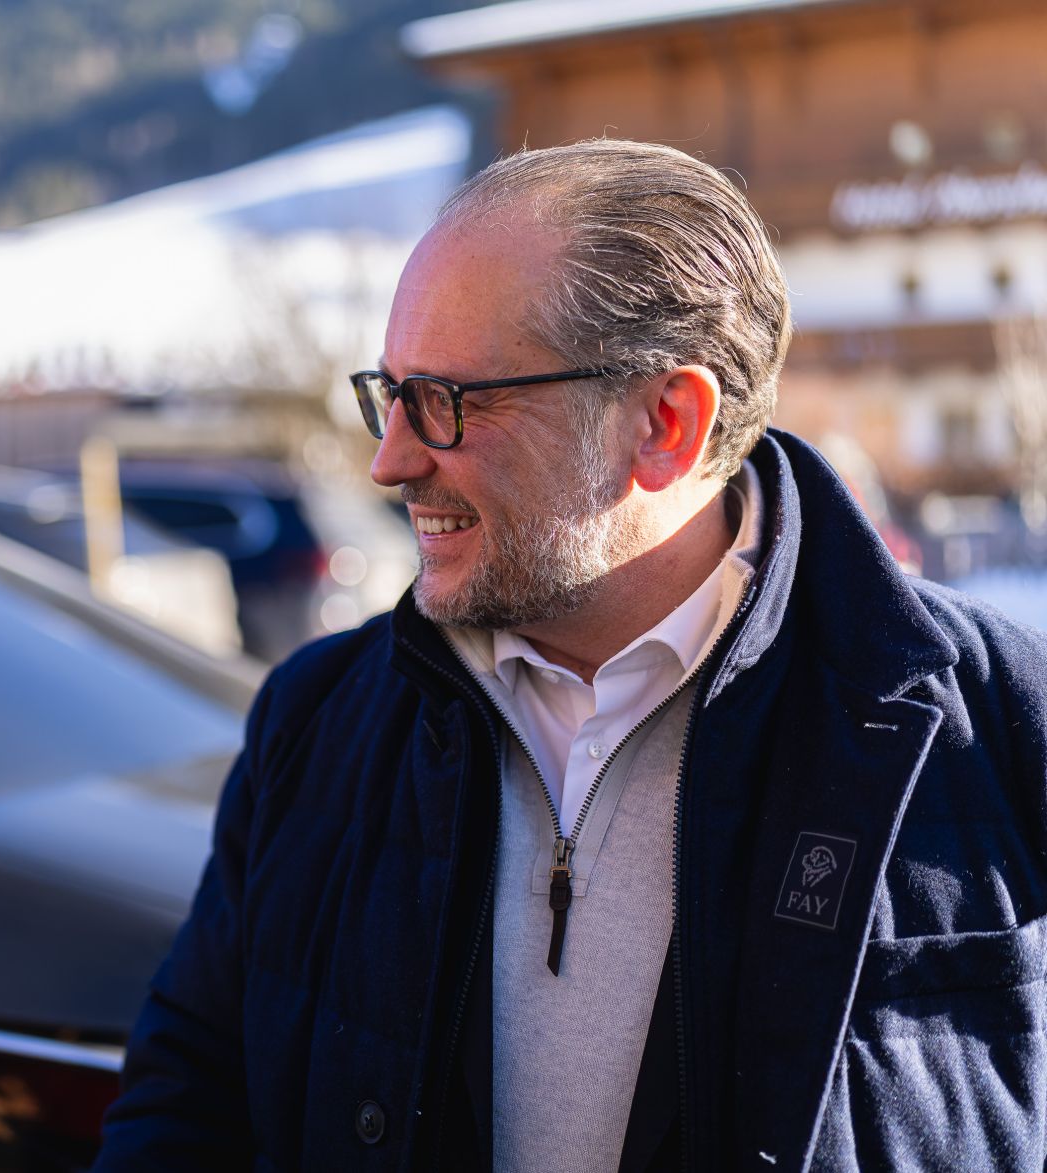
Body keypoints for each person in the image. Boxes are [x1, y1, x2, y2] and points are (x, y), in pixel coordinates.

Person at [95, 139, 1047, 1171]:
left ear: (664, 425)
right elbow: (188, 1101)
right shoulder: (316, 720)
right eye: (389, 392)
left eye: (449, 402)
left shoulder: (993, 723)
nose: (389, 458)